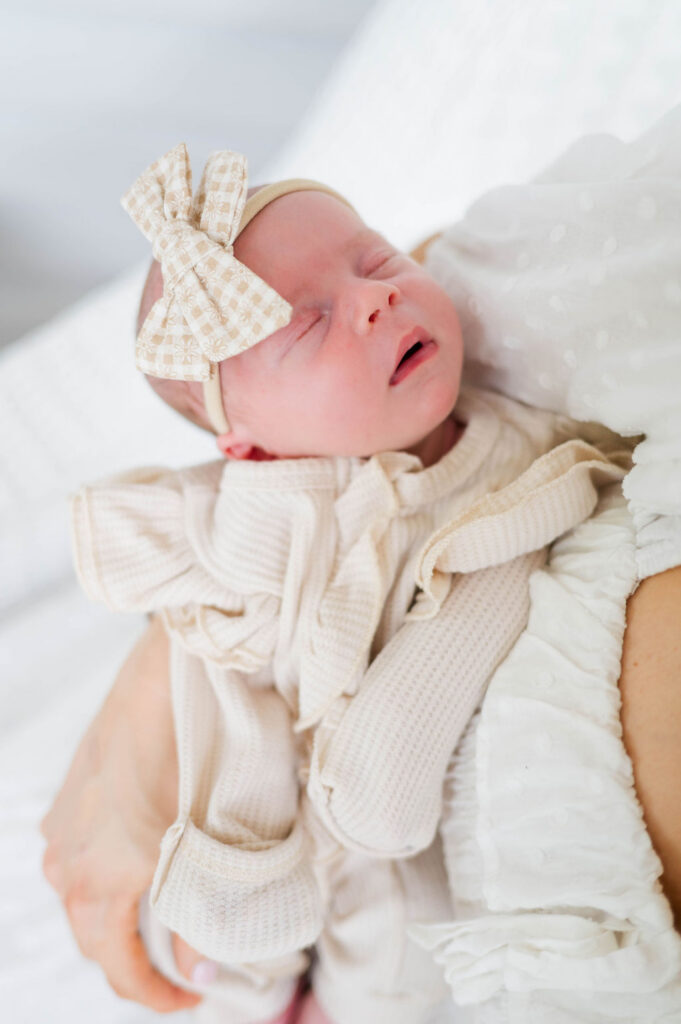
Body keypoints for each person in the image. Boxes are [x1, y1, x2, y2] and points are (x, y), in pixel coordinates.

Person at [43, 107, 681, 1023]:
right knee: (244, 963)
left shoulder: (516, 443)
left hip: (422, 843)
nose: (375, 298)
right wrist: (240, 880)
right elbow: (222, 690)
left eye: (377, 261)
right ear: (247, 445)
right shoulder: (258, 525)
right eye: (308, 327)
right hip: (286, 842)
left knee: (410, 971)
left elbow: (514, 548)